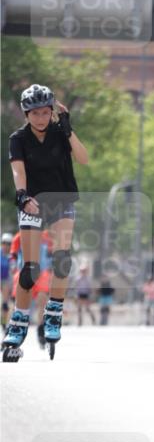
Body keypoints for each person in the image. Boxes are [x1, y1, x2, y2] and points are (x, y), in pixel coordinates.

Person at [3, 84, 89, 356]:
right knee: (30, 270)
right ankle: (18, 323)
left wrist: (68, 129)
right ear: (26, 114)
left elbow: (84, 159)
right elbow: (18, 171)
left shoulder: (60, 133)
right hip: (33, 201)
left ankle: (53, 314)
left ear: (51, 112)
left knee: (62, 260)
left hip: (62, 199)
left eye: (44, 112)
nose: (40, 118)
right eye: (34, 113)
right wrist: (22, 195)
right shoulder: (18, 138)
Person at [9, 228, 53, 347]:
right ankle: (11, 329)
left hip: (42, 273)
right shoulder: (19, 235)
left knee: (42, 301)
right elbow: (13, 254)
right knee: (17, 304)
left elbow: (52, 254)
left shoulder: (46, 237)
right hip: (23, 271)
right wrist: (13, 266)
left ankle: (40, 329)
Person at [1, 233, 12, 327]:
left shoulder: (12, 256)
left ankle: (3, 323)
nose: (6, 245)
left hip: (5, 280)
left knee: (5, 304)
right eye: (4, 243)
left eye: (8, 243)